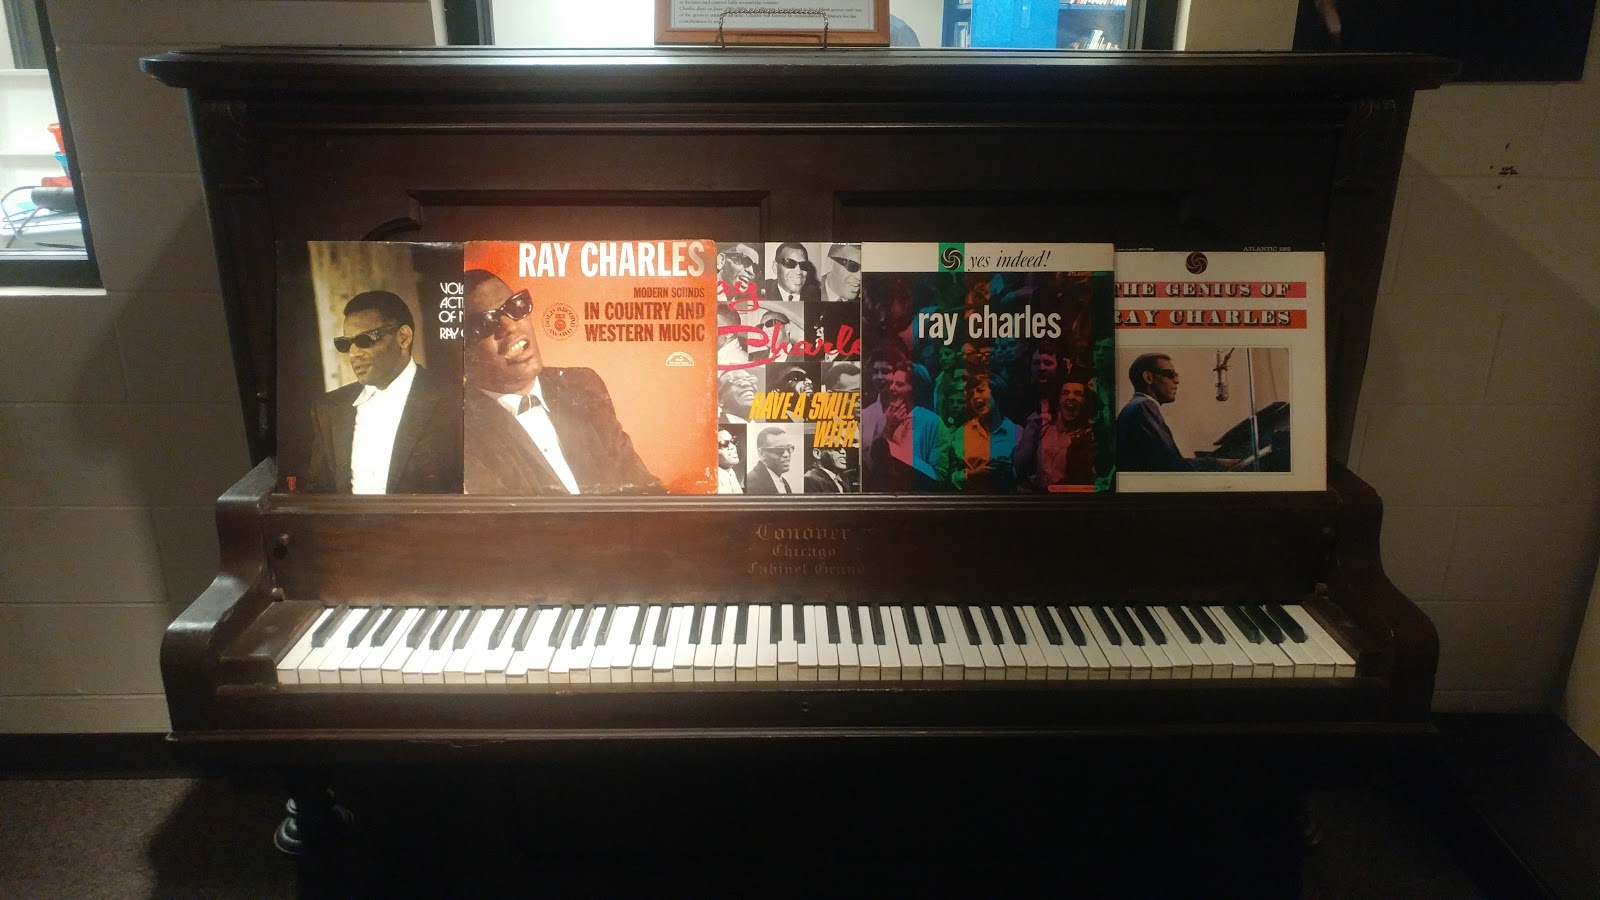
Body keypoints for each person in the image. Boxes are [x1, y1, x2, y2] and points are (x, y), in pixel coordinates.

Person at [460, 269, 661, 494]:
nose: (511, 326)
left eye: (515, 307)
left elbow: (641, 486)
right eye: (486, 323)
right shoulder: (461, 431)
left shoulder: (583, 385)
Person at [305, 290, 461, 494]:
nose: (353, 353)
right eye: (345, 344)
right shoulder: (329, 409)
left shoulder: (454, 401)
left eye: (364, 340)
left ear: (403, 337)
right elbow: (318, 494)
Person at [1116, 353, 1239, 472]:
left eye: (1176, 374)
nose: (1176, 380)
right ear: (1148, 377)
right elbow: (1168, 465)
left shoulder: (1138, 406)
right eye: (1170, 374)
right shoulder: (1143, 406)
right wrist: (1217, 463)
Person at [862, 359, 950, 492]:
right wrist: (888, 429)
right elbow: (869, 467)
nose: (891, 388)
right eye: (892, 383)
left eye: (899, 384)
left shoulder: (933, 422)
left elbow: (939, 476)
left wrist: (899, 455)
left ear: (915, 390)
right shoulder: (883, 417)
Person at [1017, 373, 1097, 490]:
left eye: (1078, 393)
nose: (1071, 397)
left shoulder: (1089, 435)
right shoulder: (1041, 426)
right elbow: (1019, 465)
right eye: (1065, 393)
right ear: (1058, 399)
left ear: (1085, 401)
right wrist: (1032, 431)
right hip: (1036, 495)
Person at [950, 370, 1017, 493]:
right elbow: (951, 477)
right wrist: (972, 474)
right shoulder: (961, 434)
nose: (975, 397)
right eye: (971, 394)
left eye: (980, 391)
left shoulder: (1016, 432)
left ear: (995, 393)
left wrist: (1011, 471)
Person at [746, 425, 801, 494]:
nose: (786, 454)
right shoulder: (750, 484)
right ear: (762, 454)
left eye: (789, 448)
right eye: (779, 450)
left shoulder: (784, 482)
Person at [715, 427, 744, 494]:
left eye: (733, 441)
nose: (733, 447)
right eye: (724, 444)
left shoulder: (730, 472)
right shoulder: (714, 481)